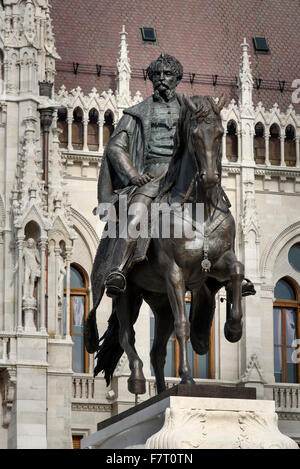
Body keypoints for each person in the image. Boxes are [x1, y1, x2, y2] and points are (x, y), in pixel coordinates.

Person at [97, 53, 184, 297]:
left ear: (177, 78)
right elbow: (115, 147)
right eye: (156, 75)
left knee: (218, 212)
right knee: (134, 216)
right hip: (152, 177)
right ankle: (117, 270)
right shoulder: (137, 113)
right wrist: (133, 175)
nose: (161, 79)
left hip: (183, 178)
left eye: (167, 74)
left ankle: (232, 273)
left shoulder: (189, 110)